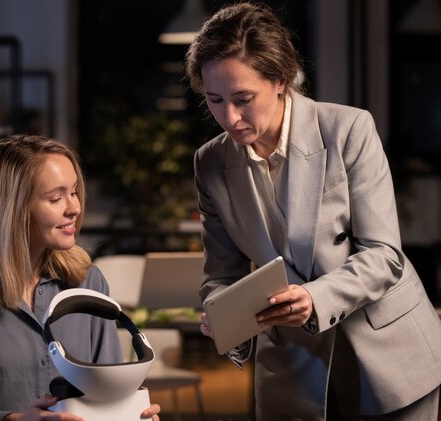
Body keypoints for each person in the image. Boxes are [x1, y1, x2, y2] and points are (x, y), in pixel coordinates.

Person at [185, 2, 441, 420]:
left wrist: (313, 297)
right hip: (293, 367)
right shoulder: (210, 163)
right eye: (214, 100)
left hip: (389, 355)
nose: (228, 117)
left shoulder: (348, 130)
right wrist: (224, 318)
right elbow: (221, 276)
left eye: (243, 98)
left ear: (281, 79)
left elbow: (384, 255)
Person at [0, 134, 160, 421]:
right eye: (56, 198)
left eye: (74, 192)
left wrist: (130, 414)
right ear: (12, 210)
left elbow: (108, 397)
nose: (75, 208)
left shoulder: (90, 283)